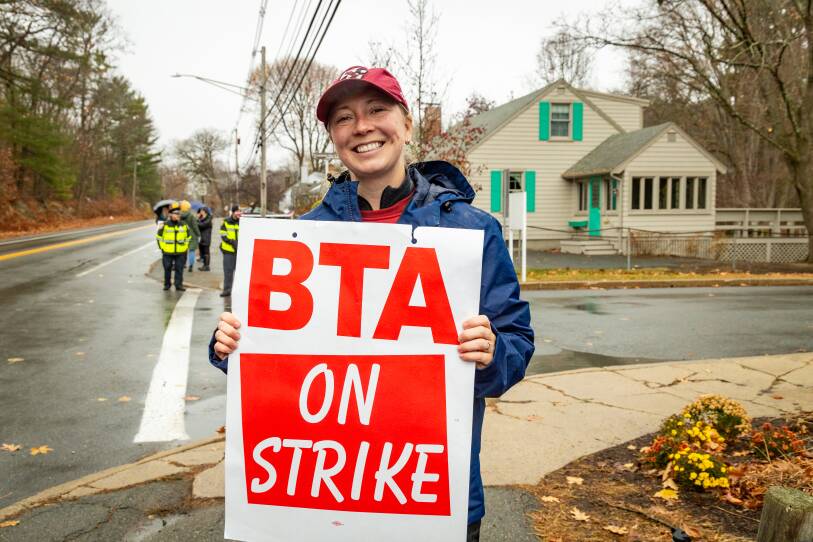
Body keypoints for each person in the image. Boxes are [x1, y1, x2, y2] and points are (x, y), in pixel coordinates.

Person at [210, 66, 534, 541]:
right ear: (334, 138)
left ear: (406, 125)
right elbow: (271, 361)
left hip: (432, 495)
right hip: (323, 496)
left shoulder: (470, 231)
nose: (361, 126)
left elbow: (515, 347)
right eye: (344, 118)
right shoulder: (301, 238)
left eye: (377, 110)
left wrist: (489, 354)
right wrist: (227, 346)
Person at [156, 202, 189, 291]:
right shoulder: (165, 225)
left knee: (179, 269)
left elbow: (188, 237)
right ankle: (167, 284)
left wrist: (185, 247)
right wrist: (162, 248)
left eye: (178, 214)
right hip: (167, 251)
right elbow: (159, 237)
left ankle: (178, 285)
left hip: (180, 252)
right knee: (167, 268)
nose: (177, 215)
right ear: (170, 215)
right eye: (175, 214)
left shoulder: (184, 225)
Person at [219, 204, 241, 297]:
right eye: (237, 211)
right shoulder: (226, 222)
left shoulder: (243, 222)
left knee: (240, 273)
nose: (239, 213)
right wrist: (232, 242)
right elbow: (223, 235)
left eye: (240, 211)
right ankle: (227, 290)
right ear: (233, 212)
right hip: (228, 251)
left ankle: (238, 291)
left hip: (240, 251)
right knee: (228, 272)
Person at [180, 200, 200, 273]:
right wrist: (198, 234)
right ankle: (191, 266)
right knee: (191, 251)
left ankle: (182, 264)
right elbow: (195, 226)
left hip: (182, 235)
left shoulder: (179, 216)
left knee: (182, 251)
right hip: (192, 235)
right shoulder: (191, 216)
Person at [197, 207, 213, 271]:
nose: (200, 212)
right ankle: (204, 265)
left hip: (206, 237)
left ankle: (207, 266)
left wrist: (197, 221)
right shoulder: (201, 218)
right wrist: (198, 219)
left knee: (206, 252)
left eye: (201, 211)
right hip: (201, 237)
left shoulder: (209, 219)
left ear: (205, 211)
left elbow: (202, 225)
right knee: (203, 252)